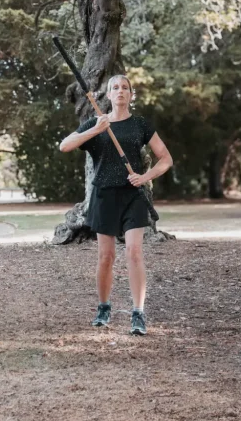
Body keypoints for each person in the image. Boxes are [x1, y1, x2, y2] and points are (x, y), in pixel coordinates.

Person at [59, 75, 173, 335]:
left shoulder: (140, 125)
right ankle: (103, 307)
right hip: (104, 197)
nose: (120, 91)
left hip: (133, 196)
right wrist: (94, 130)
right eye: (115, 88)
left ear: (131, 95)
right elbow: (64, 146)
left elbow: (165, 159)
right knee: (106, 257)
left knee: (134, 252)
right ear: (107, 96)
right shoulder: (97, 123)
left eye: (125, 88)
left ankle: (138, 313)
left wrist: (145, 177)